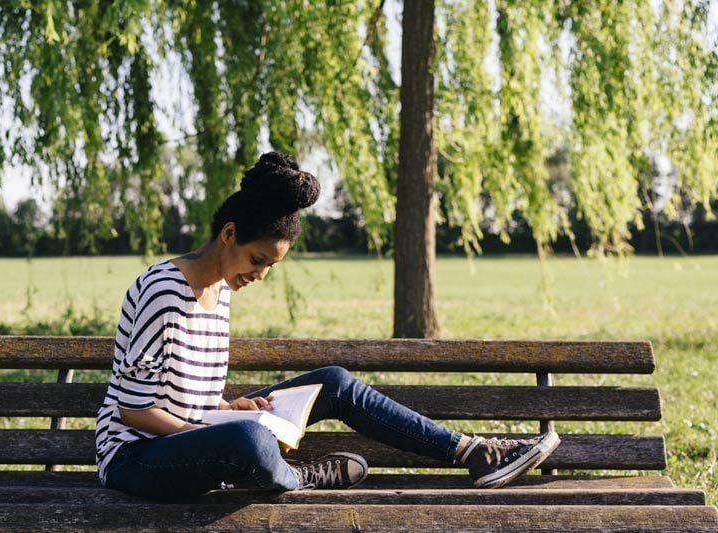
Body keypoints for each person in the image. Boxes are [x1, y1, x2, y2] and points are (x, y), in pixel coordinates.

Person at [95, 151, 560, 502]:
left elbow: (187, 393)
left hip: (194, 437)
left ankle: (471, 452)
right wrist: (222, 429)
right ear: (228, 233)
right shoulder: (162, 288)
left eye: (270, 267)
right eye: (257, 260)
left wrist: (227, 406)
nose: (259, 275)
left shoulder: (222, 293)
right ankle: (298, 476)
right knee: (249, 439)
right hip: (136, 458)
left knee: (332, 384)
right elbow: (134, 412)